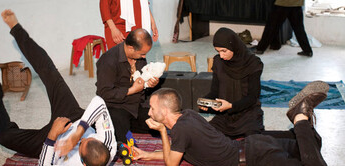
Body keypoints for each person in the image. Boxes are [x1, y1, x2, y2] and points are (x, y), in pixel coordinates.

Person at [0, 9, 117, 166]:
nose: (82, 139)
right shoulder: (109, 147)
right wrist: (78, 132)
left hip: (53, 140)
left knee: (5, 137)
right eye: (88, 138)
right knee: (49, 71)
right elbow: (99, 103)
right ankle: (16, 28)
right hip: (73, 115)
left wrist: (52, 136)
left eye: (82, 143)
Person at [134, 82, 328, 166]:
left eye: (151, 108)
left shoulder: (180, 130)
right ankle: (305, 123)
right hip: (255, 145)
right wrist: (147, 155)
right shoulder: (188, 115)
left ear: (165, 111)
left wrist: (161, 130)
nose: (149, 112)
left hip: (256, 159)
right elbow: (177, 151)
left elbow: (171, 162)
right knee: (311, 147)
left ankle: (300, 117)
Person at [96, 28, 159, 143]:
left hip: (136, 104)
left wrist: (149, 83)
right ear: (130, 48)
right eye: (142, 53)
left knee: (161, 121)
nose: (144, 57)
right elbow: (104, 93)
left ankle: (130, 125)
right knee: (124, 142)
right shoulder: (108, 60)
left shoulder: (138, 57)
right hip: (116, 106)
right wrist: (131, 90)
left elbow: (141, 79)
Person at [199, 28, 264, 139]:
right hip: (225, 117)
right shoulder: (219, 62)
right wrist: (206, 102)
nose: (221, 56)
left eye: (224, 51)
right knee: (205, 139)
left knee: (254, 144)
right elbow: (215, 91)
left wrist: (231, 106)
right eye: (218, 51)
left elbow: (253, 97)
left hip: (248, 114)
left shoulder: (252, 63)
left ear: (233, 46)